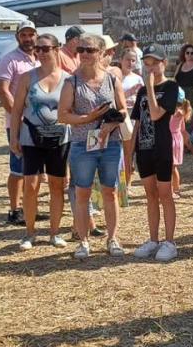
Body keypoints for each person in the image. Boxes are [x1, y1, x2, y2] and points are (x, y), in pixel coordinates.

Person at [58, 34, 128, 259]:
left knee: (111, 192)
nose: (85, 54)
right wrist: (89, 118)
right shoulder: (72, 82)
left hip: (111, 142)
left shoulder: (111, 80)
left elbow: (123, 109)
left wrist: (108, 126)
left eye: (90, 50)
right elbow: (63, 115)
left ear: (100, 53)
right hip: (82, 144)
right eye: (81, 50)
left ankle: (113, 238)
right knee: (82, 193)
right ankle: (84, 241)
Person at [9, 33, 70, 249]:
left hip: (59, 137)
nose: (41, 53)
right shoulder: (27, 77)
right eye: (38, 49)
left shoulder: (67, 78)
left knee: (57, 185)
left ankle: (54, 233)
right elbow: (16, 110)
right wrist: (14, 137)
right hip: (31, 137)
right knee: (31, 185)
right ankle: (30, 232)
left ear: (56, 49)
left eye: (45, 48)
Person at [131, 46, 182, 261]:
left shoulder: (171, 87)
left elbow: (154, 114)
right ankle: (153, 239)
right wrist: (128, 154)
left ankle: (169, 241)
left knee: (165, 194)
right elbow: (138, 122)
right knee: (150, 195)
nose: (150, 67)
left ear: (164, 63)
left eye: (155, 62)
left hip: (161, 148)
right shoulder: (141, 91)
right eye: (147, 63)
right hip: (143, 149)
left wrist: (151, 87)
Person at [0, 21, 40, 226]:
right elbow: (3, 90)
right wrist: (18, 117)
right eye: (24, 35)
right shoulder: (9, 60)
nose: (28, 38)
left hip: (39, 122)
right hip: (19, 123)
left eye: (31, 34)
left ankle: (31, 207)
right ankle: (14, 209)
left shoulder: (40, 59)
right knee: (18, 169)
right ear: (17, 37)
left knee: (35, 169)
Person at [118, 48, 145, 196]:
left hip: (132, 117)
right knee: (117, 152)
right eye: (127, 59)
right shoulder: (115, 76)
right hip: (118, 116)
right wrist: (129, 92)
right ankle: (115, 184)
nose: (130, 63)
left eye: (133, 60)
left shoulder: (138, 78)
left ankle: (126, 186)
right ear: (121, 60)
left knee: (129, 153)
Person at [170, 94, 190, 199]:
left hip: (171, 139)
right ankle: (176, 189)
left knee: (171, 168)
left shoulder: (173, 113)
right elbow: (183, 130)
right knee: (174, 168)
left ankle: (173, 190)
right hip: (177, 139)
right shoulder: (181, 113)